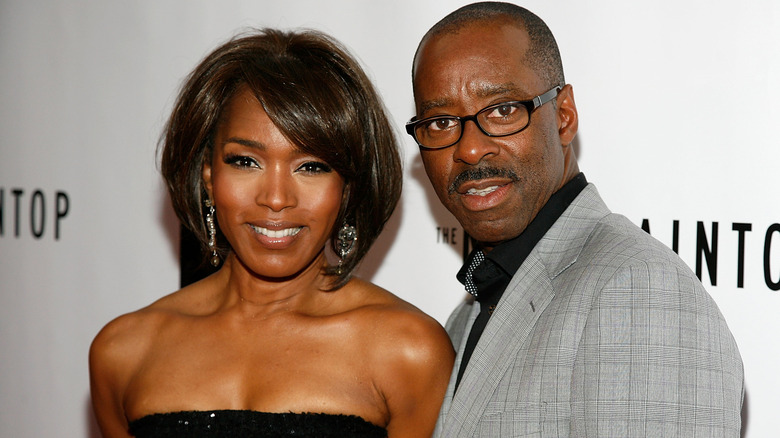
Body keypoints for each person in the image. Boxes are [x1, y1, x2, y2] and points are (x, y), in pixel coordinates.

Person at [89, 28, 454, 438]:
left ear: (347, 188)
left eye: (312, 166)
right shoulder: (124, 352)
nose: (277, 198)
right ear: (208, 175)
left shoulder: (408, 350)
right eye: (245, 161)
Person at [405, 2, 744, 436]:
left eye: (503, 110)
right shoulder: (472, 308)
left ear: (564, 116)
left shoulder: (636, 291)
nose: (470, 149)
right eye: (440, 122)